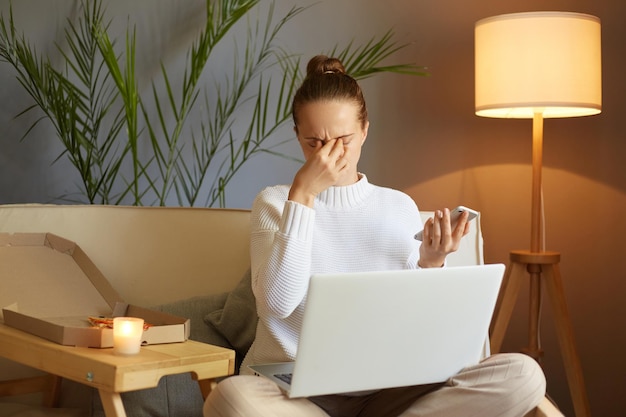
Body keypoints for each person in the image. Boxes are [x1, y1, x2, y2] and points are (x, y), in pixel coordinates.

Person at [203, 55, 546, 417]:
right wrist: (303, 196)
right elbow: (276, 304)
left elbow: (414, 323)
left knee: (524, 375)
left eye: (344, 140)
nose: (330, 154)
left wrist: (432, 263)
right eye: (314, 143)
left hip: (388, 391)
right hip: (295, 395)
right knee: (231, 400)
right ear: (297, 137)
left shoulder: (398, 206)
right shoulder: (274, 202)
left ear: (365, 130)